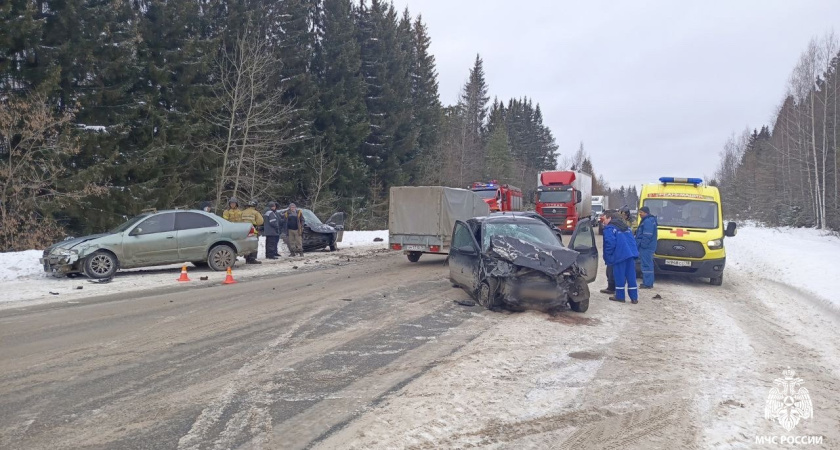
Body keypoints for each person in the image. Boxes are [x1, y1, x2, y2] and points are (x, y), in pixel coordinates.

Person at [603, 212, 640, 304]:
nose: (603, 222)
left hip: (619, 255)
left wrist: (608, 257)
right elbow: (632, 240)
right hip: (630, 255)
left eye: (604, 219)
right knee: (631, 276)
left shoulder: (610, 228)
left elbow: (610, 243)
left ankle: (620, 296)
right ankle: (634, 297)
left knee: (619, 276)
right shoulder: (626, 227)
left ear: (610, 218)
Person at [636, 206, 658, 288]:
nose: (640, 214)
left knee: (646, 265)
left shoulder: (648, 221)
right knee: (647, 264)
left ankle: (647, 284)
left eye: (641, 212)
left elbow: (647, 235)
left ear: (646, 213)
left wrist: (643, 245)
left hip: (646, 247)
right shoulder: (650, 220)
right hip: (648, 246)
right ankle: (648, 282)